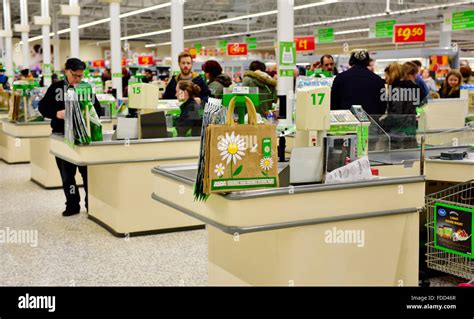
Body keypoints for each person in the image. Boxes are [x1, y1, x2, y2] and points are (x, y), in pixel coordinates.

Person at [38, 58, 103, 217]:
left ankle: (91, 205)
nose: (77, 79)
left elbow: (98, 110)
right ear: (66, 71)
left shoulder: (85, 88)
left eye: (80, 76)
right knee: (67, 175)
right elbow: (43, 107)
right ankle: (72, 205)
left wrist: (89, 114)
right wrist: (56, 113)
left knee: (88, 174)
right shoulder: (56, 88)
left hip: (84, 138)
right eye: (74, 75)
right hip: (61, 137)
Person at [331, 49, 386, 116]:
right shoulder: (377, 80)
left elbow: (333, 104)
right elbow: (382, 107)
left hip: (347, 122)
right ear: (368, 62)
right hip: (371, 122)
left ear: (350, 61)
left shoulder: (340, 78)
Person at [383, 62, 420, 149]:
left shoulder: (397, 90)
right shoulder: (407, 88)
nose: (385, 78)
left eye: (386, 76)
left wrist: (382, 124)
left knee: (396, 160)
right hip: (408, 132)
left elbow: (397, 115)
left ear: (391, 74)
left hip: (398, 135)